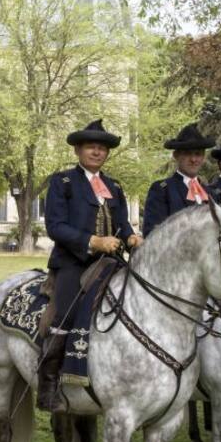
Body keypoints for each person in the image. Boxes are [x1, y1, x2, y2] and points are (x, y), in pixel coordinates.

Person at [38, 119, 143, 412]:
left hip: (111, 262)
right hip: (73, 262)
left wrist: (131, 236)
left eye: (102, 148)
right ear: (78, 150)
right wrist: (93, 241)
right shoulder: (63, 183)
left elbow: (121, 223)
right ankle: (48, 384)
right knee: (66, 315)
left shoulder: (114, 186)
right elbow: (55, 227)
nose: (97, 152)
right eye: (91, 147)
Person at [142, 123, 215, 236]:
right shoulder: (162, 190)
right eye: (187, 154)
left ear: (203, 156)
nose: (193, 159)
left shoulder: (211, 193)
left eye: (198, 154)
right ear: (176, 155)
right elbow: (152, 233)